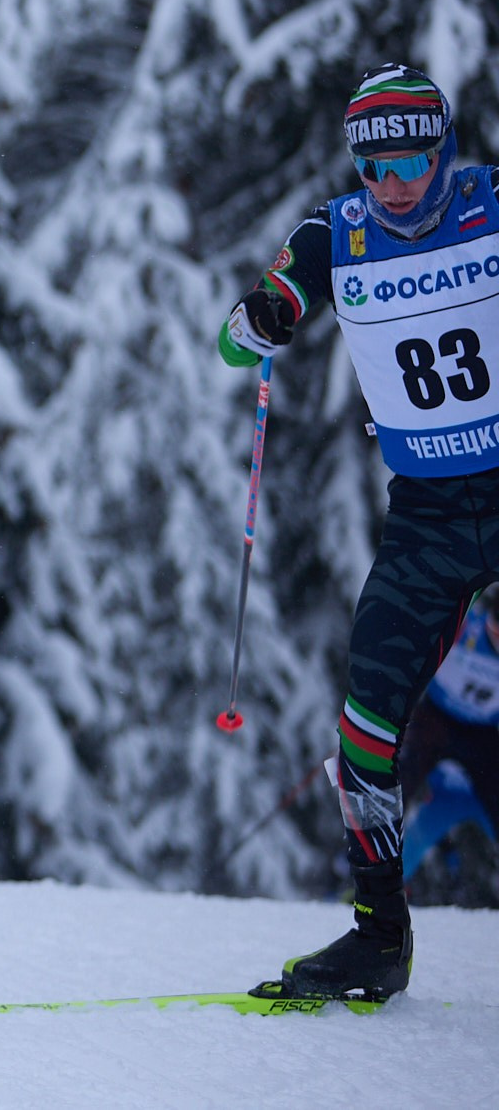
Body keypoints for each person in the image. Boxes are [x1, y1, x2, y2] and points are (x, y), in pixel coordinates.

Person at [219, 64, 499, 1000]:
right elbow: (235, 338)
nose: (395, 185)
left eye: (412, 160)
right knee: (365, 726)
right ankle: (380, 937)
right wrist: (261, 316)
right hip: (427, 516)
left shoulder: (491, 203)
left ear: (443, 149)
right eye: (376, 167)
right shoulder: (334, 234)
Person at [398, 592, 499, 875]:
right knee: (399, 778)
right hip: (436, 717)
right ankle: (361, 859)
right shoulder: (466, 628)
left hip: (481, 732)